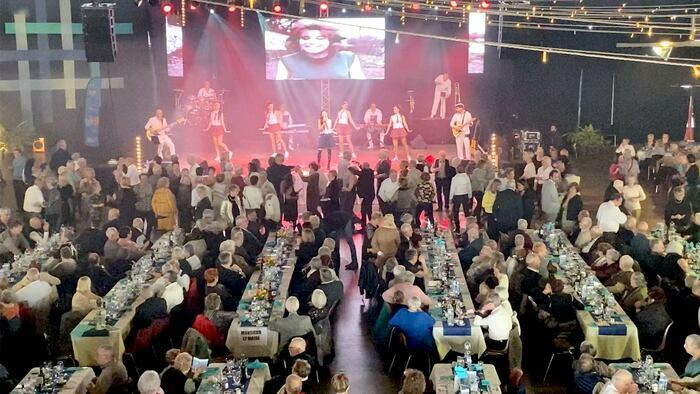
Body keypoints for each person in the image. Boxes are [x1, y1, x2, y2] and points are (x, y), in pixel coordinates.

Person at [275, 20, 366, 80]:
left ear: (331, 40)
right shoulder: (286, 61)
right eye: (305, 38)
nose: (312, 42)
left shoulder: (348, 58)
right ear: (298, 40)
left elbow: (361, 85)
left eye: (320, 38)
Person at [450, 163, 473, 232]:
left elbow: (452, 189)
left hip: (457, 196)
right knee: (466, 212)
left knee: (456, 212)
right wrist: (470, 196)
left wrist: (450, 198)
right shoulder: (466, 177)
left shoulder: (454, 178)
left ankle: (457, 228)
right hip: (465, 196)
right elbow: (469, 187)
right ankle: (469, 227)